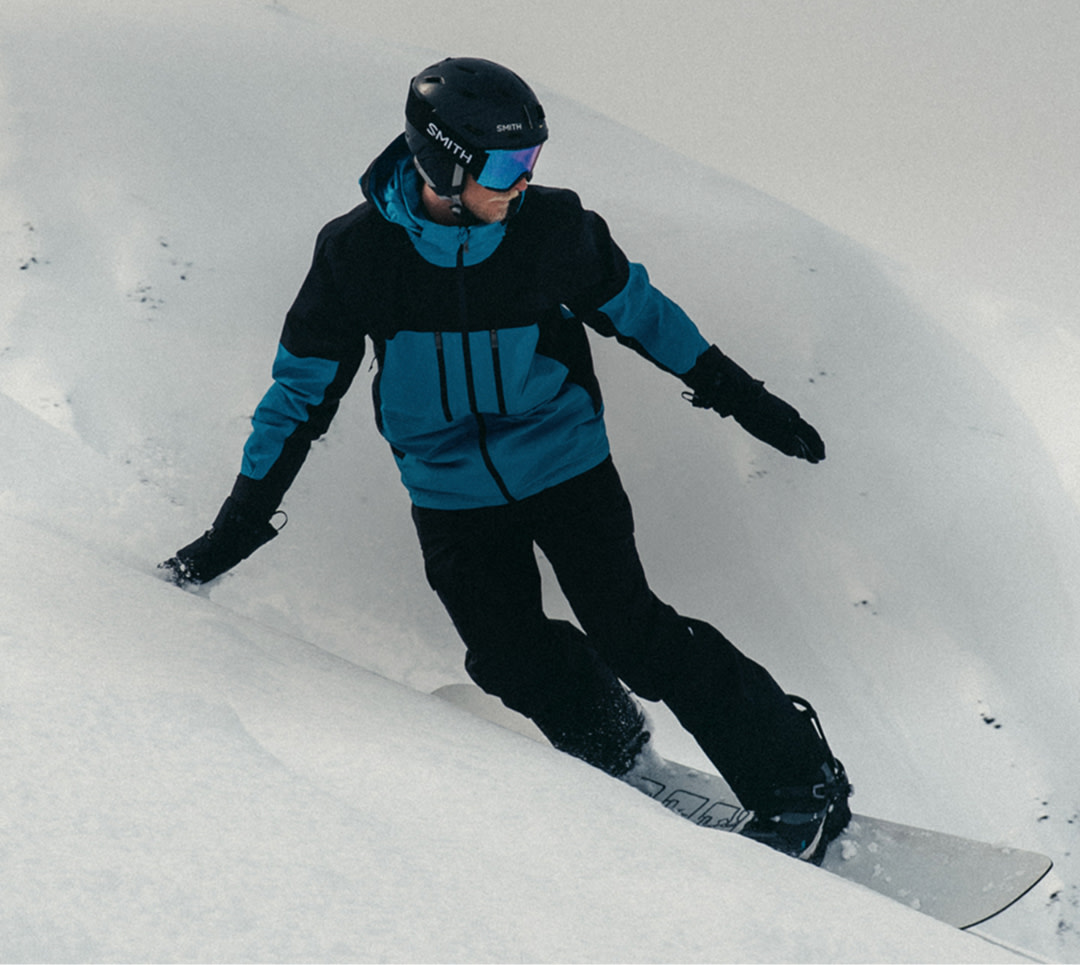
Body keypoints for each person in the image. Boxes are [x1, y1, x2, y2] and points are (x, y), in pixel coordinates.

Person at [162, 57, 851, 861]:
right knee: (506, 655)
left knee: (633, 632)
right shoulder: (358, 255)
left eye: (532, 159)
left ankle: (801, 783)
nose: (523, 181)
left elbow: (641, 311)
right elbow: (299, 394)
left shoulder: (551, 230)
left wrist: (742, 396)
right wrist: (238, 524)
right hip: (449, 489)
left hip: (564, 464)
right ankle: (614, 746)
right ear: (443, 163)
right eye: (504, 165)